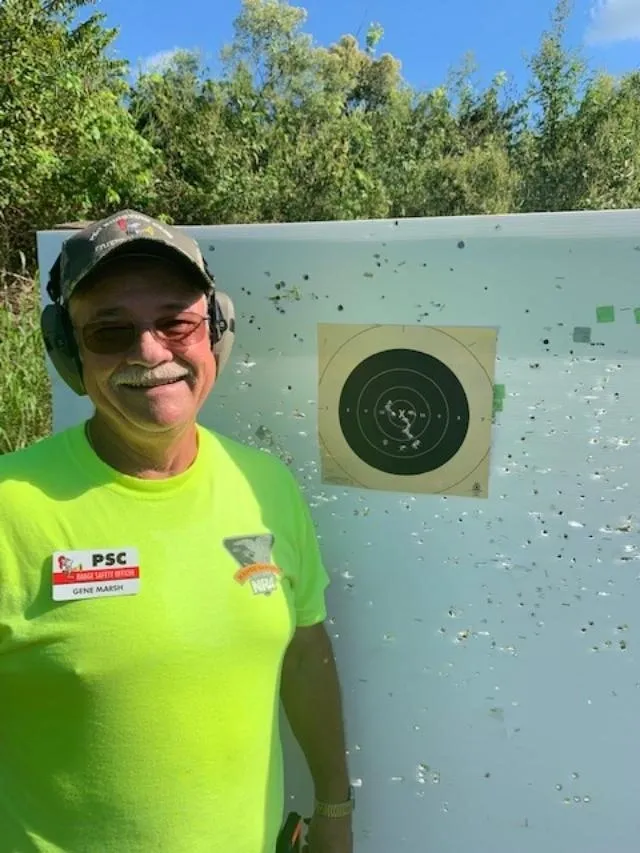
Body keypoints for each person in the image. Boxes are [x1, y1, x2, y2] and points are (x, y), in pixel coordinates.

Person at [0, 210, 354, 853]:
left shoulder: (265, 485)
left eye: (177, 322)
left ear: (215, 330)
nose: (150, 350)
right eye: (110, 331)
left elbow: (303, 651)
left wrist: (335, 808)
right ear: (67, 352)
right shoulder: (9, 508)